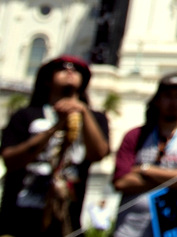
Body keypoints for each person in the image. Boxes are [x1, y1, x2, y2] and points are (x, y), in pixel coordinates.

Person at [0, 55, 111, 237]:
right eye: (61, 68)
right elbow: (11, 160)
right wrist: (55, 128)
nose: (69, 71)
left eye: (76, 70)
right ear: (46, 80)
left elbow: (99, 153)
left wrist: (82, 111)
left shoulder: (95, 118)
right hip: (19, 219)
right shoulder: (25, 115)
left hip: (66, 220)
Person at [109, 73, 177, 237]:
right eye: (167, 96)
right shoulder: (136, 136)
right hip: (129, 229)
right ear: (157, 100)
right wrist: (174, 180)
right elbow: (121, 181)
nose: (173, 102)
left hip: (173, 229)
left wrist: (144, 170)